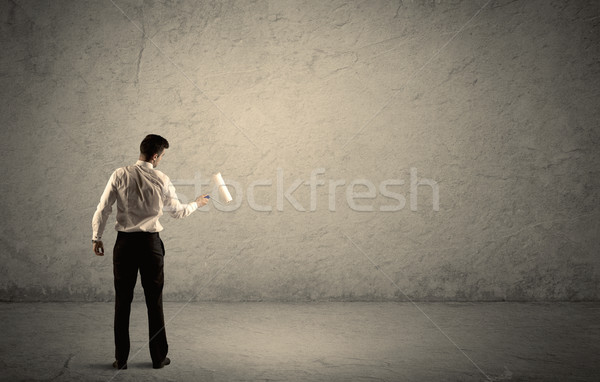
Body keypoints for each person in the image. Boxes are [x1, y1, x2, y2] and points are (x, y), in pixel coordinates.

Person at [91, 134, 209, 370]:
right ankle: (158, 358)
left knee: (122, 302)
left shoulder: (119, 174)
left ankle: (121, 359)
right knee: (154, 302)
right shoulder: (161, 178)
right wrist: (198, 203)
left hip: (124, 245)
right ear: (155, 156)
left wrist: (97, 237)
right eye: (162, 156)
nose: (161, 160)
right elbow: (178, 212)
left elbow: (103, 208)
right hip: (150, 246)